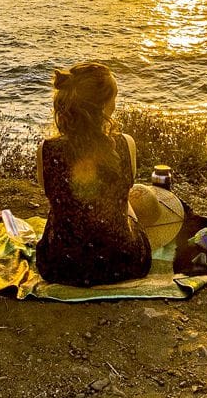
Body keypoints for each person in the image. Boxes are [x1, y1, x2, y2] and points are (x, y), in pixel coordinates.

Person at [34, 62, 183, 287]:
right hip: (123, 262)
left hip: (61, 265)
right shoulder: (126, 144)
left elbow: (50, 193)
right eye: (114, 98)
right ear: (105, 106)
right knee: (130, 201)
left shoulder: (46, 150)